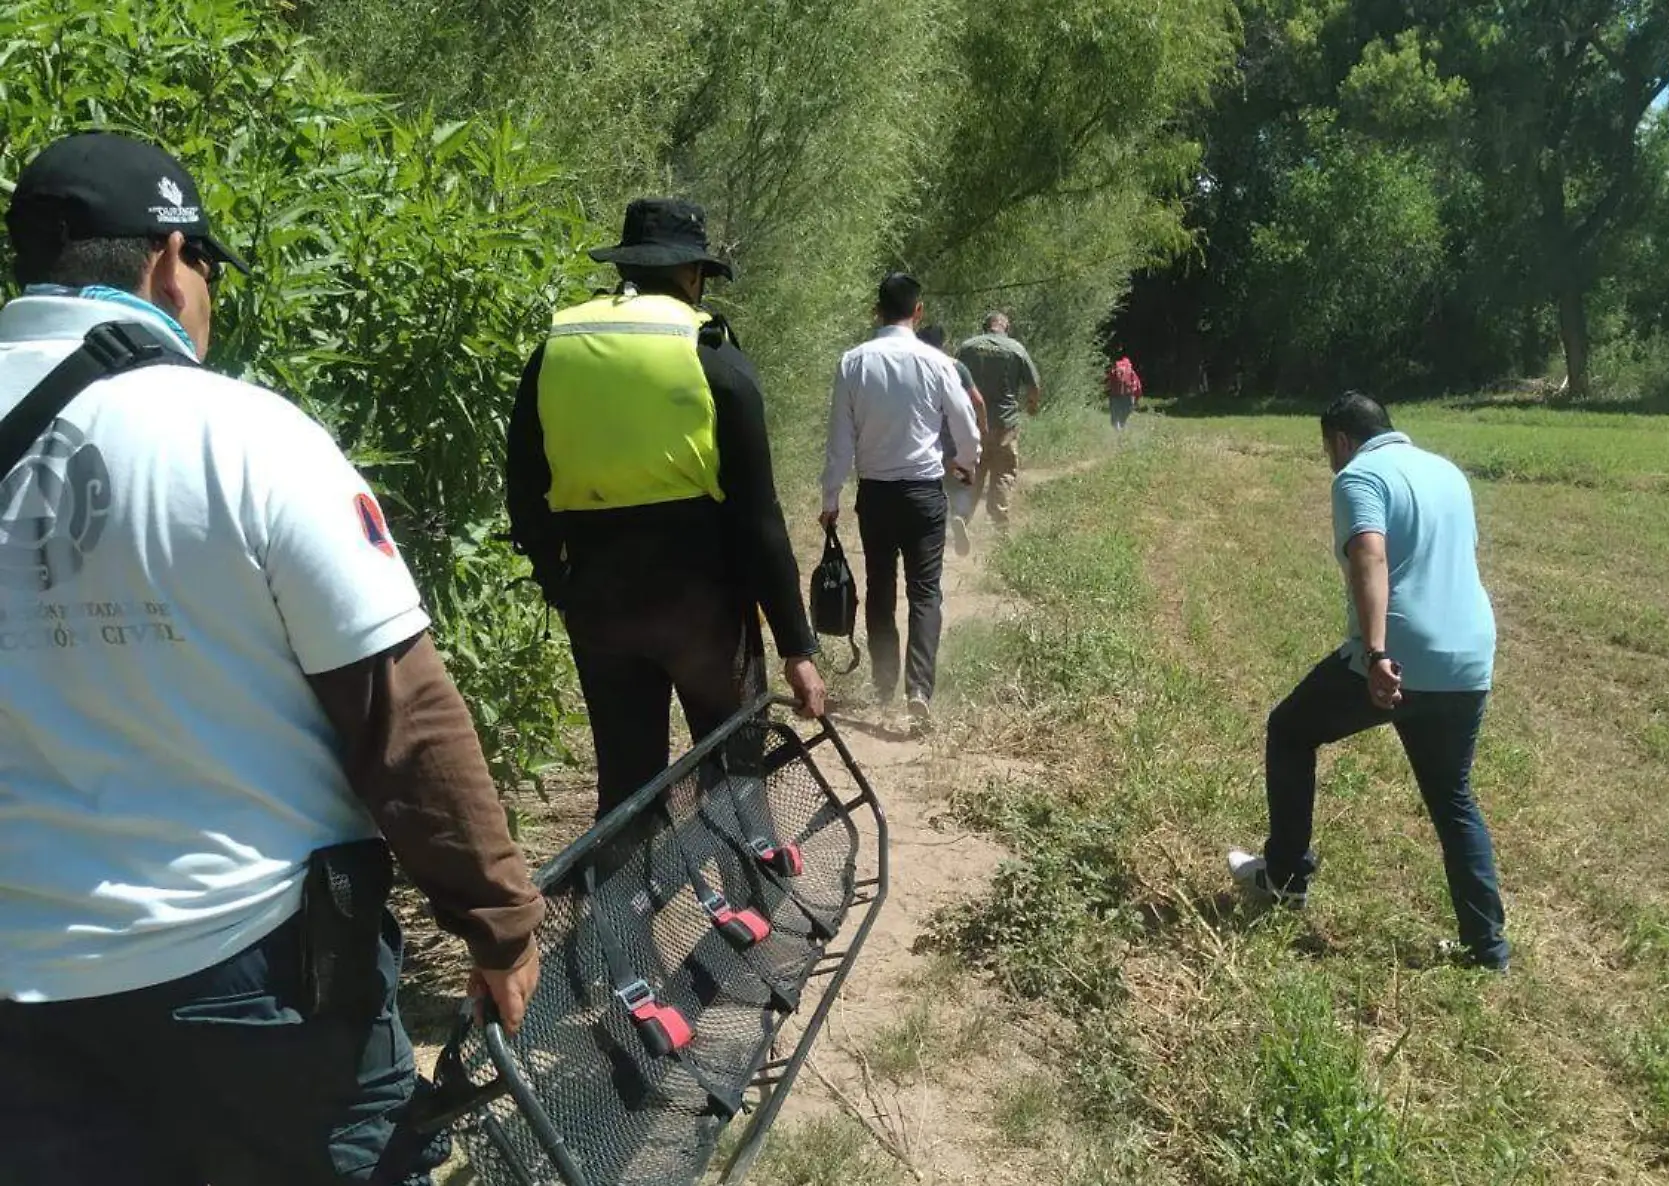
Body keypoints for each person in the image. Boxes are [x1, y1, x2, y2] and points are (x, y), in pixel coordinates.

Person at [0, 131, 545, 1185]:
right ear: (167, 258)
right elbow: (403, 715)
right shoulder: (242, 433)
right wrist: (500, 924)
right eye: (205, 263)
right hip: (250, 977)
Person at [507, 198, 825, 819]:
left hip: (600, 601)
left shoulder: (557, 352)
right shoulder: (710, 355)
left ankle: (616, 914)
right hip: (702, 607)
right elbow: (759, 519)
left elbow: (523, 486)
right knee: (733, 771)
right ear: (691, 275)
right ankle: (754, 906)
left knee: (626, 788)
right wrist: (797, 647)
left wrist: (560, 583)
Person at [1227, 392, 1508, 972]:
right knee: (1452, 799)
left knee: (1290, 730)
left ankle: (1283, 878)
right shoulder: (1446, 472)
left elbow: (1370, 557)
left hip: (1399, 657)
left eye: (1328, 450)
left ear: (1340, 440)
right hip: (1469, 656)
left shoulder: (1359, 475)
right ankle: (1488, 951)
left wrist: (1377, 652)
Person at [821, 274, 980, 728]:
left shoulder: (853, 362)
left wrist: (831, 496)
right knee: (925, 591)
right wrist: (966, 463)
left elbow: (840, 440)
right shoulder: (936, 362)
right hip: (924, 493)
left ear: (877, 310)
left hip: (875, 494)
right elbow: (965, 426)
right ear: (919, 311)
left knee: (881, 588)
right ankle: (919, 689)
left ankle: (883, 683)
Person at [955, 311, 1040, 528]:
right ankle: (999, 526)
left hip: (972, 421)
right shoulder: (1016, 349)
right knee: (1003, 473)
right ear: (1006, 327)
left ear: (985, 327)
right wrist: (1031, 407)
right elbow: (1033, 385)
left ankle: (961, 517)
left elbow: (950, 380)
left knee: (971, 468)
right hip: (1005, 423)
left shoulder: (968, 347)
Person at [919, 323, 986, 556]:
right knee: (961, 479)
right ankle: (958, 515)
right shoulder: (957, 367)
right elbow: (977, 401)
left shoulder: (917, 366)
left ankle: (937, 526)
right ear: (943, 343)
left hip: (927, 440)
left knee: (935, 484)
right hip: (956, 441)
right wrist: (982, 427)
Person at [1105, 352, 1142, 433]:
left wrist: (1107, 392)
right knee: (1127, 410)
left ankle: (1116, 425)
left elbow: (1108, 382)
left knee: (1115, 411)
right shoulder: (1130, 370)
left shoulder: (1115, 368)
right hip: (1128, 394)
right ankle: (1121, 424)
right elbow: (1138, 385)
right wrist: (1137, 399)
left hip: (1114, 394)